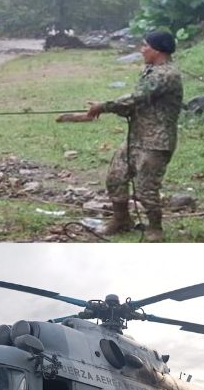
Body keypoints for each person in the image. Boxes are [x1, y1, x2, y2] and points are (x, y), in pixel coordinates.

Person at [67, 30, 182, 242]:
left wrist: (104, 106)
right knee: (115, 178)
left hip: (156, 141)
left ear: (157, 49)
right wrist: (113, 108)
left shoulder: (166, 75)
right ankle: (121, 220)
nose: (141, 50)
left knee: (147, 188)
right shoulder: (151, 70)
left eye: (145, 46)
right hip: (137, 137)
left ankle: (155, 228)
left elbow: (137, 98)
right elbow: (140, 104)